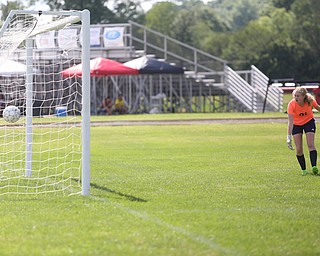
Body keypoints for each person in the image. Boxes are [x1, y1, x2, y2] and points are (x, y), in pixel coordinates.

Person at [287, 87, 320, 175]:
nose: (296, 98)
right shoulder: (292, 104)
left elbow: (318, 108)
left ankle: (314, 167)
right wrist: (288, 137)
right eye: (295, 96)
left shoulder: (310, 100)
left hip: (309, 122)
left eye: (298, 96)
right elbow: (290, 122)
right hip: (297, 125)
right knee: (299, 149)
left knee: (311, 144)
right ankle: (304, 170)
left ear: (303, 96)